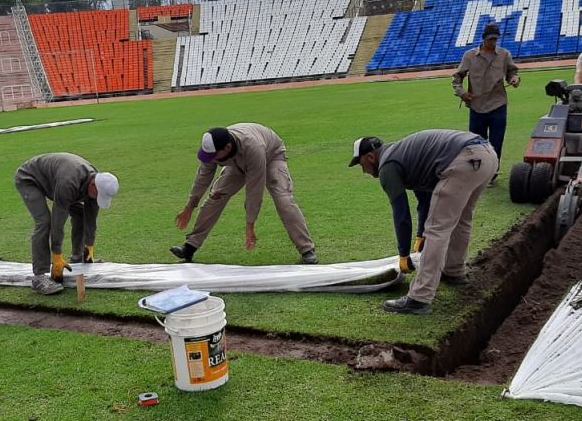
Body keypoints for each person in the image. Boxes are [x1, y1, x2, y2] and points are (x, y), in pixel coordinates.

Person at [350, 130, 498, 315]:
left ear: (371, 157)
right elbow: (424, 200)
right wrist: (420, 236)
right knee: (461, 220)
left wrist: (403, 255)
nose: (363, 170)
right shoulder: (403, 155)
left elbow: (401, 214)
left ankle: (419, 298)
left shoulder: (387, 167)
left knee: (437, 230)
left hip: (463, 159)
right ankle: (454, 271)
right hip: (486, 155)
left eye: (360, 164)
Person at [171, 123, 318, 264]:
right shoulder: (213, 149)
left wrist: (250, 226)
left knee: (283, 199)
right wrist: (189, 207)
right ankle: (190, 247)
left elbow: (255, 190)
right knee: (216, 196)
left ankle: (307, 250)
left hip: (270, 156)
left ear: (227, 148)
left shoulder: (254, 148)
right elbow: (203, 178)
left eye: (214, 156)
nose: (212, 159)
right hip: (237, 161)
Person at [14, 153, 120, 295]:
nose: (98, 199)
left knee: (81, 213)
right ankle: (39, 277)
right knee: (45, 221)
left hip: (55, 181)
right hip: (30, 178)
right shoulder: (69, 181)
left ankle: (77, 258)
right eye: (99, 195)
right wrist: (57, 256)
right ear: (93, 185)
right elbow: (59, 218)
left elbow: (91, 218)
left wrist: (89, 248)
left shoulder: (96, 183)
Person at [452, 22, 520, 187]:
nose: (492, 42)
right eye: (490, 39)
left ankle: (491, 175)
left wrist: (514, 78)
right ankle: (477, 173)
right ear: (483, 39)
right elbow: (457, 78)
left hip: (498, 105)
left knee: (496, 142)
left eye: (495, 39)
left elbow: (513, 71)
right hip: (477, 106)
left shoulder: (504, 54)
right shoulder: (469, 56)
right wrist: (462, 94)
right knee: (476, 143)